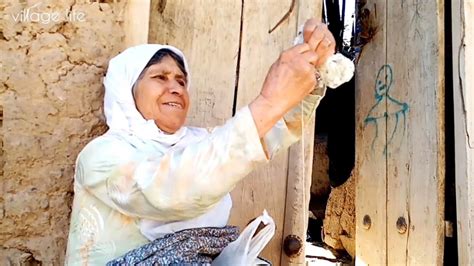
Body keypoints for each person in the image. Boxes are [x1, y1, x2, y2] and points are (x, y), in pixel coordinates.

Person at [65, 19, 336, 265]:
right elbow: (174, 188)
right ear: (126, 88)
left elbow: (269, 131)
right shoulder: (101, 156)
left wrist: (309, 68)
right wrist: (268, 102)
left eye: (181, 81)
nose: (175, 88)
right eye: (160, 77)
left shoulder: (196, 142)